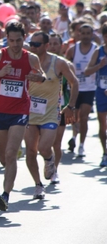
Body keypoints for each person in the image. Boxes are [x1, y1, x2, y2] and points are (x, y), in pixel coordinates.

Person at [0, 22, 45, 211]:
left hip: (20, 110)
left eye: (19, 40)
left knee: (11, 153)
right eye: (11, 40)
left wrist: (39, 78)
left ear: (24, 38)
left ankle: (5, 195)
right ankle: (10, 176)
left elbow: (42, 76)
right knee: (3, 158)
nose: (15, 44)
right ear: (7, 39)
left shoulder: (31, 58)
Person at [25, 31, 78, 199]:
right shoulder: (26, 60)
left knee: (44, 147)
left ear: (46, 46)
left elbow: (74, 82)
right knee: (31, 152)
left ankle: (49, 160)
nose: (32, 47)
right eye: (31, 44)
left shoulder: (59, 63)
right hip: (29, 112)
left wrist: (71, 106)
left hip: (50, 113)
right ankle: (38, 185)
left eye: (36, 44)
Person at [65, 24, 98, 156]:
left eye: (88, 33)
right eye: (83, 33)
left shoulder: (96, 49)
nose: (85, 36)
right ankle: (74, 137)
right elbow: (65, 66)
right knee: (74, 117)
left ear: (92, 34)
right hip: (74, 87)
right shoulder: (73, 49)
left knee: (83, 117)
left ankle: (82, 145)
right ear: (79, 34)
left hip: (89, 88)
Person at [48, 33, 76, 183]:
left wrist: (71, 106)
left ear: (61, 46)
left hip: (60, 107)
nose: (53, 46)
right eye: (50, 43)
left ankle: (54, 171)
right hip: (42, 109)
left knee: (56, 142)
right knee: (42, 144)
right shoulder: (40, 62)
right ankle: (47, 164)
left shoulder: (67, 65)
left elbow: (73, 86)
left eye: (55, 44)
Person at [84, 22, 107, 167]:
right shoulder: (98, 52)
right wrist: (99, 65)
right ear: (105, 36)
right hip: (101, 92)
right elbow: (86, 71)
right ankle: (105, 153)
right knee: (102, 125)